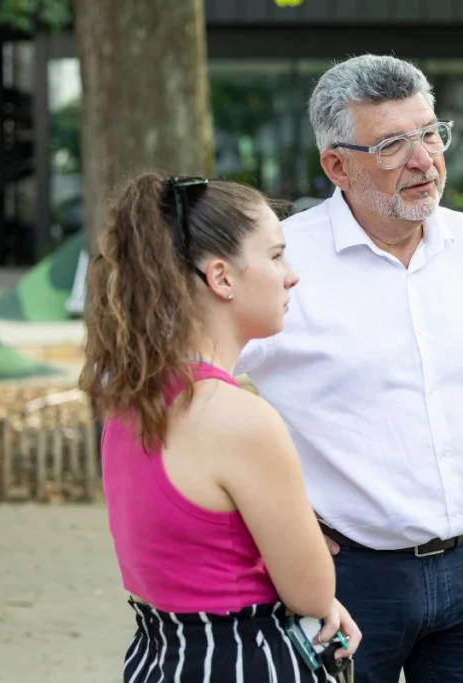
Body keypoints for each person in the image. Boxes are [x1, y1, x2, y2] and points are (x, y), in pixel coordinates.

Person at [235, 54, 463, 683]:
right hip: (346, 579)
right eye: (392, 144)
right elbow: (190, 389)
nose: (424, 160)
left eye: (430, 133)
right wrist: (260, 512)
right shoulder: (282, 260)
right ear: (336, 164)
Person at [80, 172, 362, 682]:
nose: (291, 275)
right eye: (276, 256)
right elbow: (312, 593)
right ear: (222, 277)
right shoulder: (240, 421)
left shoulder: (128, 402)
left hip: (158, 657)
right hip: (241, 660)